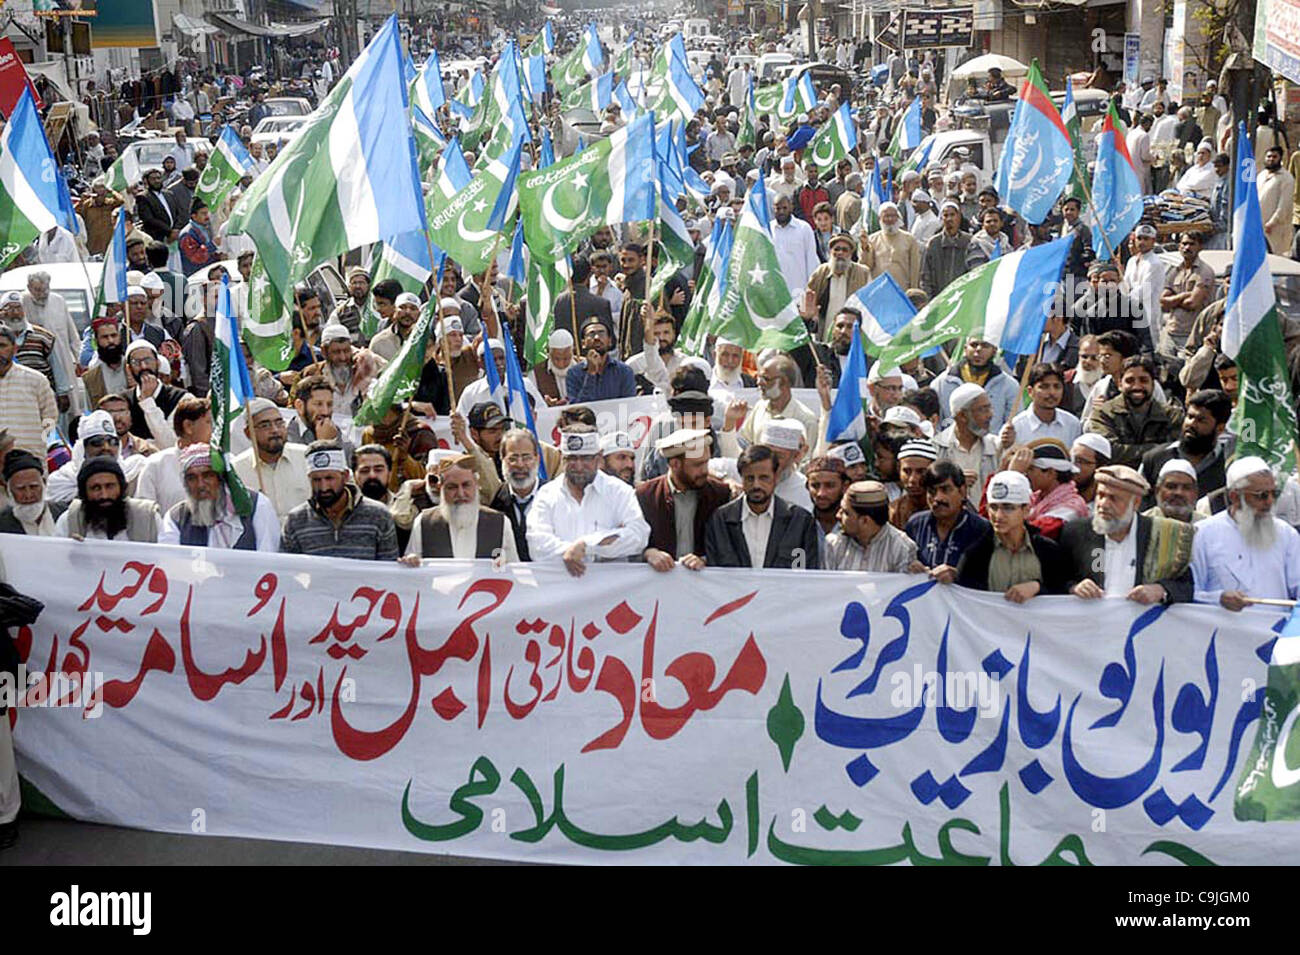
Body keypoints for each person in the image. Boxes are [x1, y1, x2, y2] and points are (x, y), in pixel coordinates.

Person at [527, 424, 650, 577]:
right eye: (571, 458)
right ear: (561, 457)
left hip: (611, 592)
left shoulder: (619, 491)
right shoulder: (547, 494)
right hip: (561, 592)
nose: (579, 466)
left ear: (598, 457)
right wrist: (570, 551)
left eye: (586, 458)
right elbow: (537, 545)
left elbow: (638, 536)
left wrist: (587, 545)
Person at [1191, 457, 1300, 609]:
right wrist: (1219, 598)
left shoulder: (1287, 535)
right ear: (1235, 497)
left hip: (1276, 629)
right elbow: (1190, 593)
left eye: (1273, 494)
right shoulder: (1202, 534)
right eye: (1261, 495)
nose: (1269, 502)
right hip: (1222, 629)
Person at [952, 470, 1068, 600]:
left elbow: (1062, 593)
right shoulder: (975, 554)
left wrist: (1037, 588)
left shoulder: (1048, 550)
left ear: (1025, 511)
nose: (999, 516)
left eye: (1008, 508)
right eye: (994, 507)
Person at [704, 444, 820, 569]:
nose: (756, 485)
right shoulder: (720, 520)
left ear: (776, 477)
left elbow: (807, 575)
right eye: (750, 478)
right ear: (741, 478)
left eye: (764, 478)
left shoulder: (800, 521)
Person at [280, 441, 400, 560]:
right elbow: (287, 571)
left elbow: (388, 569)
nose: (324, 487)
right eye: (316, 480)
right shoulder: (295, 521)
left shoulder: (379, 516)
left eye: (330, 478)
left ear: (346, 476)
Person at [638, 429, 731, 571]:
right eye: (697, 465)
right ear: (675, 464)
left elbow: (728, 548)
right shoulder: (646, 496)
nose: (705, 471)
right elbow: (632, 544)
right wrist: (649, 553)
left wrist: (704, 559)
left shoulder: (720, 495)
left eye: (706, 462)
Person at [159, 443, 280, 551]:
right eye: (192, 478)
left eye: (207, 475)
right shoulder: (176, 518)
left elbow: (268, 560)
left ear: (220, 478)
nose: (200, 485)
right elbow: (170, 563)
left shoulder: (257, 505)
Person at [401, 454, 517, 561]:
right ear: (441, 488)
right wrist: (411, 561)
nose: (461, 493)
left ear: (476, 484)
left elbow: (513, 571)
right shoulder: (424, 522)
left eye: (466, 485)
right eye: (452, 487)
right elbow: (413, 570)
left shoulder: (499, 523)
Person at [1088, 355, 1181, 468]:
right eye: (1130, 381)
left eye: (1143, 380)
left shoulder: (1171, 415)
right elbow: (1109, 452)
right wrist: (1157, 449)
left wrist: (1129, 453)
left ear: (1153, 384)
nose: (1137, 386)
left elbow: (1177, 452)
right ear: (1120, 384)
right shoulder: (1103, 413)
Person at [1138, 388, 1231, 499]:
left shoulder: (1228, 464)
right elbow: (1137, 500)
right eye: (1190, 417)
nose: (1191, 424)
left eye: (1201, 420)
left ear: (1220, 428)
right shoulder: (1155, 458)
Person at [720, 355, 818, 457]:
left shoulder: (806, 420)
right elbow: (743, 448)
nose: (759, 382)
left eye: (765, 378)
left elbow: (805, 463)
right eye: (759, 377)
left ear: (783, 382)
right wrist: (730, 422)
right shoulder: (760, 407)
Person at [232, 397, 311, 520]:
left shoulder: (306, 457)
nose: (275, 430)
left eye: (279, 423)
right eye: (265, 425)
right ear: (248, 433)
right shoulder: (237, 470)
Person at [905, 460, 990, 574]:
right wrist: (912, 567)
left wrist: (957, 577)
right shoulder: (915, 525)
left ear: (962, 491)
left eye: (945, 489)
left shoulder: (981, 529)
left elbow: (985, 580)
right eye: (932, 491)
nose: (938, 498)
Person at [823, 479, 920, 572]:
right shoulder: (834, 544)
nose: (838, 515)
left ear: (865, 521)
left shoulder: (902, 548)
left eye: (846, 513)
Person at [56, 458, 160, 542]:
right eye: (96, 488)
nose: (104, 495)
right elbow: (57, 561)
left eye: (110, 486)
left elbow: (166, 559)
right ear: (84, 493)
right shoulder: (70, 521)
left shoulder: (148, 517)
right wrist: (71, 551)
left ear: (122, 487)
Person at [934, 382, 998, 508]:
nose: (990, 415)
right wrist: (954, 482)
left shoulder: (996, 446)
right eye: (982, 409)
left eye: (989, 408)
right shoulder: (936, 448)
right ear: (962, 416)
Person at [933, 337, 1018, 431]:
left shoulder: (1009, 385)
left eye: (985, 346)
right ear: (965, 349)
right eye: (974, 345)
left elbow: (1014, 425)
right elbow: (935, 424)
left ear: (994, 351)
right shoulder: (941, 383)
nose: (978, 349)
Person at [488, 428, 543, 561]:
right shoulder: (494, 503)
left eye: (526, 457)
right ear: (502, 460)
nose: (520, 465)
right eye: (513, 458)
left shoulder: (554, 496)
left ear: (537, 459)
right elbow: (493, 550)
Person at [1158, 232, 1214, 358]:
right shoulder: (1175, 271)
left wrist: (1173, 300)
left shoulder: (1204, 272)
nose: (1187, 247)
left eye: (1192, 244)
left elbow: (1192, 303)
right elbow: (1162, 302)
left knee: (1184, 373)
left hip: (1191, 335)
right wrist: (1185, 295)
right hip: (1170, 332)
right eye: (1184, 244)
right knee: (1165, 371)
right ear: (1179, 247)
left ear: (1200, 247)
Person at [1003, 363, 1082, 450]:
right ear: (1030, 391)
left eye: (1057, 387)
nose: (1052, 392)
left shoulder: (1072, 424)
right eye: (1044, 387)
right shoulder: (1015, 427)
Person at [566, 317, 636, 401]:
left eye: (601, 333)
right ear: (583, 343)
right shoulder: (574, 373)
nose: (596, 338)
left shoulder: (624, 371)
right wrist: (591, 374)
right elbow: (578, 410)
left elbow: (629, 405)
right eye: (591, 334)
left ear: (609, 341)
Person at [0, 450, 65, 535]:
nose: (28, 495)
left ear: (44, 483)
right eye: (21, 489)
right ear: (8, 490)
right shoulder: (2, 525)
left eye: (33, 487)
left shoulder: (64, 514)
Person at [1258, 144, 1295, 256]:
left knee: (1276, 257)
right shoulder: (1261, 175)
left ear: (1280, 159)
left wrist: (1272, 223)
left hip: (1275, 229)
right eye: (1269, 156)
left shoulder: (1286, 178)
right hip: (1259, 225)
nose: (1271, 159)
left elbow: (1284, 205)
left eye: (1274, 157)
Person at [1146, 457, 1202, 522]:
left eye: (1186, 488)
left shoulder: (1207, 525)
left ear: (1195, 493)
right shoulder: (1141, 523)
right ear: (1157, 491)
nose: (1179, 493)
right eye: (1171, 487)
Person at [530, 329, 575, 405]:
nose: (561, 364)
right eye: (556, 359)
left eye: (566, 358)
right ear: (549, 354)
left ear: (572, 352)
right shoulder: (536, 372)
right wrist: (545, 404)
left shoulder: (585, 366)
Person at [1070, 432, 1112, 510]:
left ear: (1100, 468)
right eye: (1071, 459)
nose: (1073, 466)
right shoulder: (1058, 498)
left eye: (1080, 461)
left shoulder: (1106, 508)